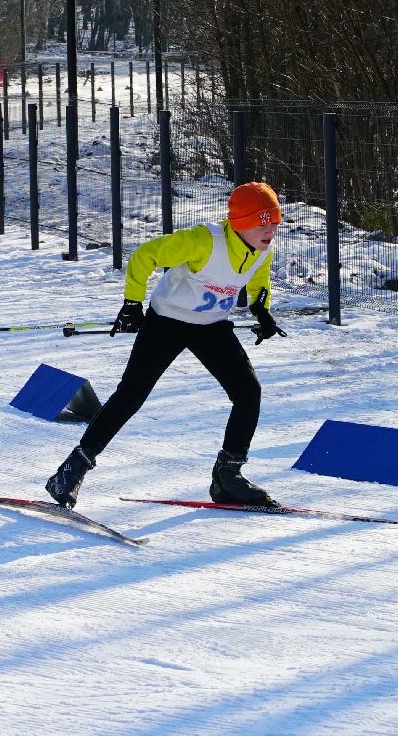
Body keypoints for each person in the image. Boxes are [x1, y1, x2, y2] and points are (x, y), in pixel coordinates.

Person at [44, 181, 288, 509]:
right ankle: (71, 471)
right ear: (242, 221)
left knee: (248, 392)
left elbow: (259, 282)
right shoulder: (203, 241)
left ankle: (228, 477)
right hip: (166, 323)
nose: (271, 229)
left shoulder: (262, 248)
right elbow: (145, 256)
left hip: (212, 327)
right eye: (264, 221)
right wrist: (132, 304)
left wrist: (262, 310)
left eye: (275, 221)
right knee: (131, 395)